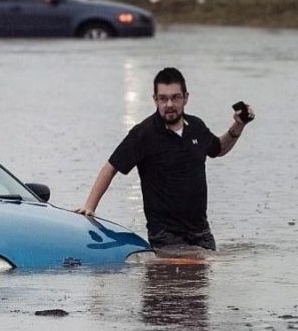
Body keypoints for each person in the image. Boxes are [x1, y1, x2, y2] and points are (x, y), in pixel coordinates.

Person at [74, 67, 254, 251]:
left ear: (186, 98)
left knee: (208, 268)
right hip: (165, 235)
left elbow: (218, 148)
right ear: (155, 100)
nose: (169, 104)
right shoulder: (143, 134)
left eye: (175, 97)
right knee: (201, 263)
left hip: (202, 233)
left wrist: (239, 125)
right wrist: (90, 207)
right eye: (163, 98)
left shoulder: (196, 127)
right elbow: (111, 167)